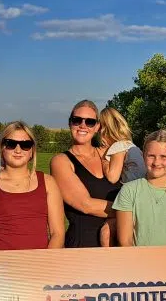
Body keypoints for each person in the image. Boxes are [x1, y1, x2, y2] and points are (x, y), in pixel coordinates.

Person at [0, 121, 66, 250]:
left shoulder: (48, 183)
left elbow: (57, 234)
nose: (18, 150)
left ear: (32, 151)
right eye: (11, 144)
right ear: (1, 148)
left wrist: (46, 260)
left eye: (25, 145)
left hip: (40, 260)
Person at [49, 100, 121, 248]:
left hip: (118, 246)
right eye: (77, 120)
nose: (83, 125)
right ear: (70, 123)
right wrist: (131, 210)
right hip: (83, 247)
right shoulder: (61, 161)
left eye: (90, 122)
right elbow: (85, 204)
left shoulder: (111, 154)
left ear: (97, 127)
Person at [113, 129, 166, 246]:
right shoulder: (129, 191)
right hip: (137, 257)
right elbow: (125, 242)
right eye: (151, 156)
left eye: (163, 157)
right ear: (143, 155)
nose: (156, 162)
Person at [97, 107, 147, 246]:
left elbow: (112, 177)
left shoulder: (118, 146)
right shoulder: (131, 146)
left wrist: (104, 162)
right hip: (142, 196)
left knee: (106, 232)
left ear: (104, 129)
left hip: (131, 199)